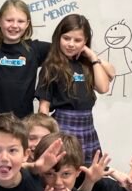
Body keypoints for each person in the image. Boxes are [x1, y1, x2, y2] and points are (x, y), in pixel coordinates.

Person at [37, 14, 115, 162]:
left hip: (87, 126)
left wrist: (92, 56)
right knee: (65, 168)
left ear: (85, 41)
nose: (71, 44)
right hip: (62, 125)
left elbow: (104, 86)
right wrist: (46, 137)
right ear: (58, 37)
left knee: (89, 169)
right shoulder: (51, 66)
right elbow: (43, 107)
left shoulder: (87, 64)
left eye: (77, 40)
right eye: (66, 38)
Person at [0, 0, 50, 120]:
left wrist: (86, 52)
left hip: (22, 125)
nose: (14, 25)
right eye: (9, 20)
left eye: (20, 21)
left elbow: (66, 49)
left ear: (27, 24)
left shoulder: (35, 49)